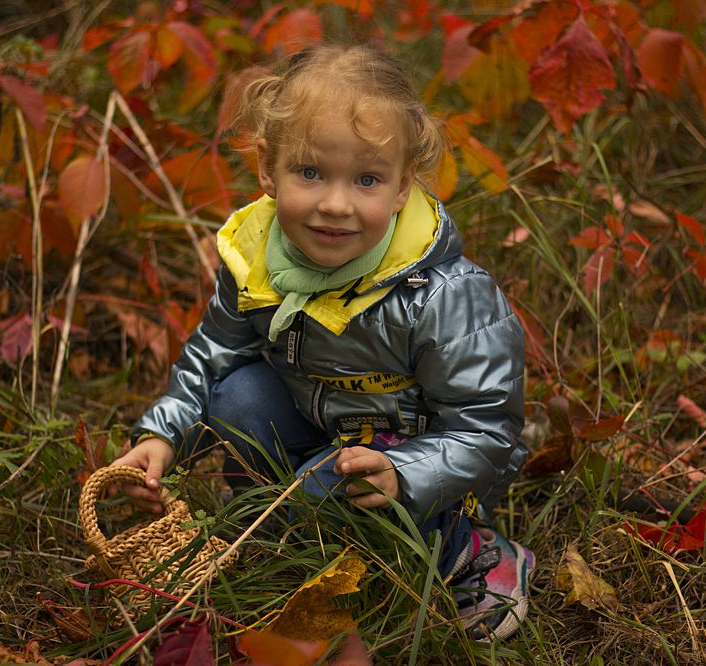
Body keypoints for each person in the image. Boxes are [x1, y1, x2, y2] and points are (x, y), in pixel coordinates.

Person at [112, 43, 534, 640]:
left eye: (367, 180)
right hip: (323, 433)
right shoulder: (258, 261)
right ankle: (286, 531)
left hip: (413, 458)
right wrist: (163, 434)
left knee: (330, 487)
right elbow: (211, 357)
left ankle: (469, 551)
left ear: (401, 188)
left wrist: (405, 472)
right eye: (310, 173)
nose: (335, 204)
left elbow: (486, 428)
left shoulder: (444, 295)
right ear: (268, 169)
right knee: (238, 397)